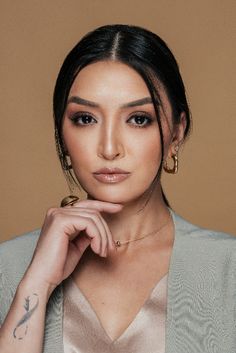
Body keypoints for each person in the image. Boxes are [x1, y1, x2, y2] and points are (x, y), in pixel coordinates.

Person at [0, 24, 235, 353]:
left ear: (176, 134)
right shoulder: (8, 267)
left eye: (139, 119)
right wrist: (36, 283)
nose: (109, 148)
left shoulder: (228, 270)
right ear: (62, 134)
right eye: (85, 118)